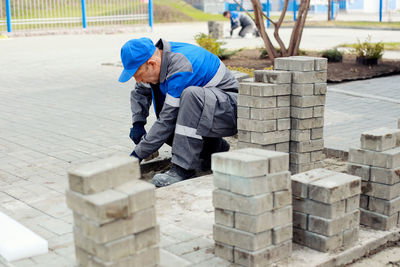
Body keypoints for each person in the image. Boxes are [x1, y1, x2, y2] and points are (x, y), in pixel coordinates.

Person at [119, 37, 238, 187]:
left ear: (152, 64)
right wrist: (138, 123)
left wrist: (136, 156)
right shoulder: (158, 60)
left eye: (138, 75)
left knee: (188, 98)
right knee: (166, 118)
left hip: (228, 109)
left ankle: (183, 169)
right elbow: (140, 93)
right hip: (210, 110)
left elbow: (167, 120)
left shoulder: (181, 67)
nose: (138, 80)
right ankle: (212, 149)